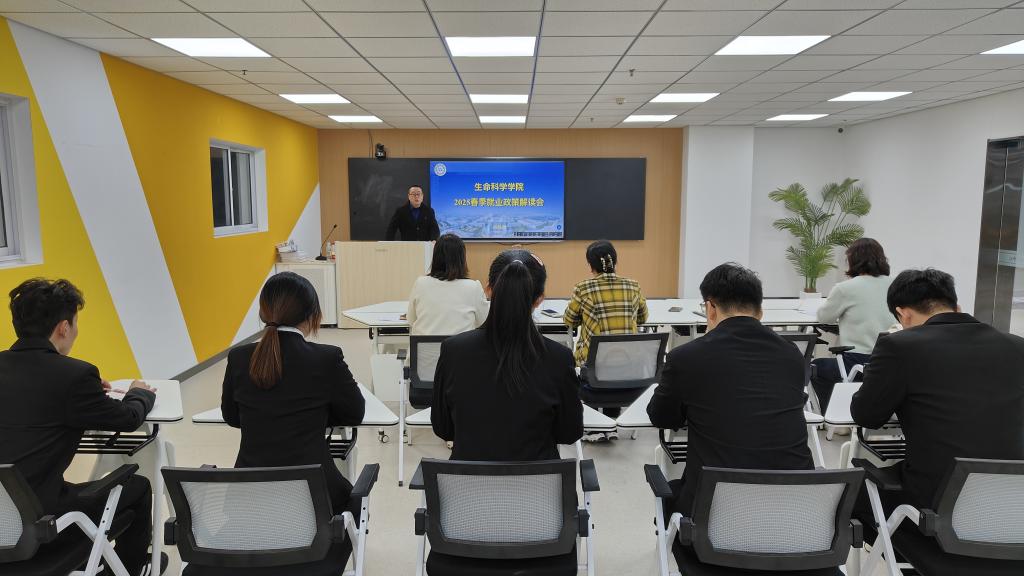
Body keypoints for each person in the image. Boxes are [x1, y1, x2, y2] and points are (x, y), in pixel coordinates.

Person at [0, 278, 159, 576]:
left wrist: (89, 392)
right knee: (137, 487)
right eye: (75, 323)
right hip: (40, 526)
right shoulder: (75, 376)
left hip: (4, 519)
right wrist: (140, 393)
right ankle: (129, 569)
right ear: (63, 327)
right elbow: (128, 418)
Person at [851, 269, 1024, 515]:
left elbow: (866, 415)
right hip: (1011, 501)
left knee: (853, 497)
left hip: (936, 503)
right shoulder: (1017, 346)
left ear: (903, 314)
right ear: (956, 307)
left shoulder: (899, 346)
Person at [647, 263, 813, 519]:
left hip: (714, 516)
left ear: (710, 308)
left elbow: (662, 417)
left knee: (672, 493)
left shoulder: (687, 357)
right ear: (760, 311)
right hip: (794, 512)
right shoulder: (791, 354)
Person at [221, 273, 366, 547]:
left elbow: (231, 416)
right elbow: (354, 413)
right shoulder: (326, 358)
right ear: (313, 315)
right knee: (354, 498)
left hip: (249, 497)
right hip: (317, 499)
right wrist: (318, 415)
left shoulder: (239, 358)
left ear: (263, 313)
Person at [432, 249, 584, 461]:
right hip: (538, 481)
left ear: (488, 290)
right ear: (539, 299)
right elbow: (569, 433)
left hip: (469, 481)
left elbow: (443, 428)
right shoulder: (559, 358)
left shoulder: (453, 351)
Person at [563, 239, 648, 441]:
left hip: (593, 376)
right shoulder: (633, 286)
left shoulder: (583, 288)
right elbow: (643, 318)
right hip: (630, 373)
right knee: (616, 355)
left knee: (592, 358)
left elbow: (569, 320)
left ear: (591, 266)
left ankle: (596, 425)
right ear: (615, 262)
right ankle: (611, 420)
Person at [811, 237, 893, 412]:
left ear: (852, 260)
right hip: (890, 361)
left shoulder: (845, 288)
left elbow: (824, 318)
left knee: (816, 367)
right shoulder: (895, 285)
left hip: (857, 361)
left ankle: (834, 414)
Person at [406, 233, 488, 335]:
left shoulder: (420, 283)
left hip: (424, 345)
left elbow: (411, 319)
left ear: (435, 257)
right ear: (462, 259)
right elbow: (482, 321)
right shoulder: (473, 287)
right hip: (460, 345)